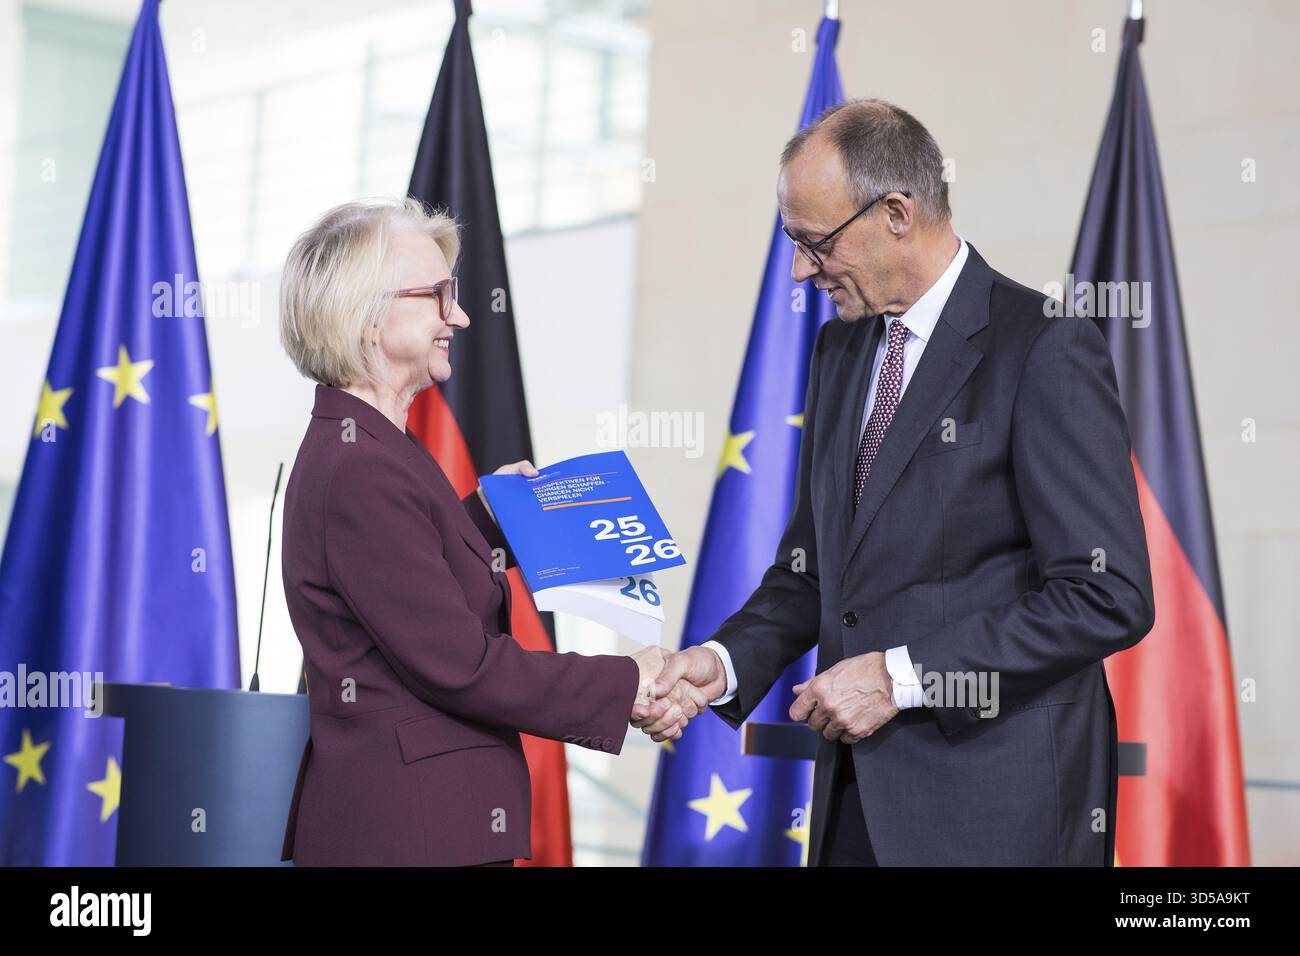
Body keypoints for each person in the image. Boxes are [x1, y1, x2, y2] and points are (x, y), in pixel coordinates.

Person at [654, 100, 1155, 866]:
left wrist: (904, 677)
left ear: (896, 212)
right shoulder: (840, 350)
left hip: (1000, 811)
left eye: (813, 242)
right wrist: (721, 664)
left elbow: (1106, 594)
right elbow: (814, 568)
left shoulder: (1046, 347)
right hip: (854, 804)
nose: (800, 269)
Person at [276, 198, 698, 866]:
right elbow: (459, 664)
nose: (461, 316)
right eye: (439, 295)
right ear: (367, 311)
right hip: (409, 836)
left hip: (421, 826)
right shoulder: (361, 467)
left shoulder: (375, 450)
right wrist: (626, 682)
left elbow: (407, 589)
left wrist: (481, 518)